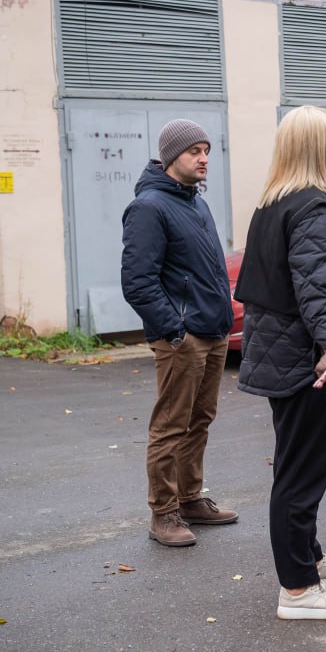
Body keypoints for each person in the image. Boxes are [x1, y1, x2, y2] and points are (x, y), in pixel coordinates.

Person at [234, 105, 326, 621]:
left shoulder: (273, 203)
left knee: (296, 465)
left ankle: (310, 558)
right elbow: (316, 290)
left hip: (284, 355)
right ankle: (296, 588)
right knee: (301, 473)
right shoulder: (312, 208)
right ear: (322, 149)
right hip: (307, 361)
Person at [121, 119, 238, 548]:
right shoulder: (149, 207)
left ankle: (190, 499)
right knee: (171, 425)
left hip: (213, 329)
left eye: (207, 150)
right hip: (182, 338)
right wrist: (175, 330)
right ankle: (163, 512)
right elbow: (138, 281)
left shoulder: (195, 202)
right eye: (195, 151)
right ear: (172, 157)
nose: (204, 158)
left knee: (199, 420)